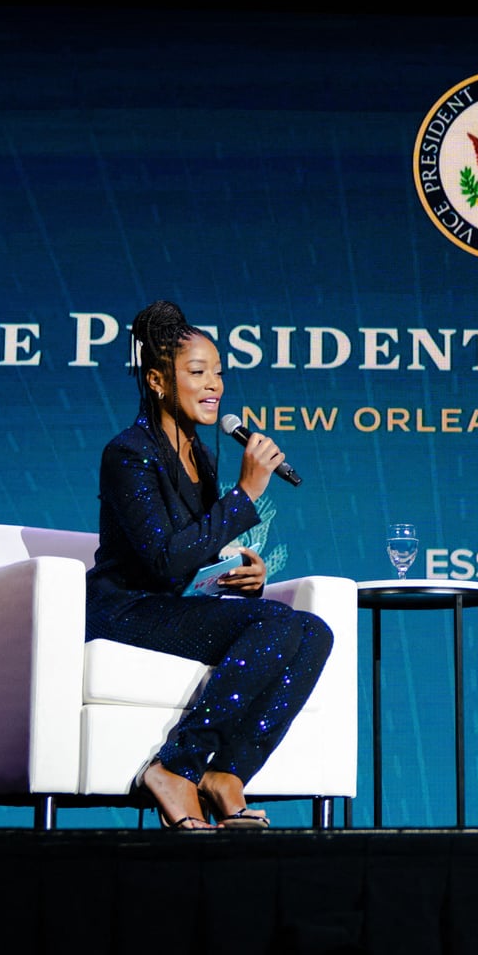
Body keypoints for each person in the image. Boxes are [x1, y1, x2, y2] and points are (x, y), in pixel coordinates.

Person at [85, 300, 333, 829]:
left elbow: (192, 551)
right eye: (197, 372)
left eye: (218, 372)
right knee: (277, 623)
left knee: (314, 632)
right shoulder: (127, 454)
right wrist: (244, 495)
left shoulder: (200, 454)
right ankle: (175, 767)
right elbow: (164, 560)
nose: (214, 384)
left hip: (173, 604)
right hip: (125, 611)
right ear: (156, 381)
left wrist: (237, 573)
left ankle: (228, 776)